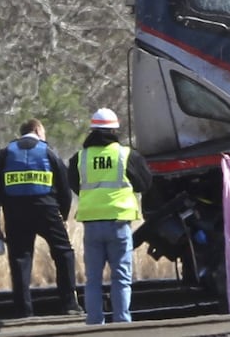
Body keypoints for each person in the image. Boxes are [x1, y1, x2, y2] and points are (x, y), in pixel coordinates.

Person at [0, 118, 83, 318]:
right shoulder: (48, 152)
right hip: (46, 210)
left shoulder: (5, 154)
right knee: (64, 253)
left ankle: (23, 311)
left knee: (20, 259)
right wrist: (62, 215)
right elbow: (65, 189)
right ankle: (69, 304)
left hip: (15, 213)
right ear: (38, 130)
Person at [67, 108, 152, 325]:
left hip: (92, 226)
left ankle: (94, 323)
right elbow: (145, 183)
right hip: (118, 224)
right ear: (115, 130)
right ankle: (122, 322)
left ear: (92, 130)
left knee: (93, 279)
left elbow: (75, 185)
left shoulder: (80, 157)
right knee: (121, 278)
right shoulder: (125, 155)